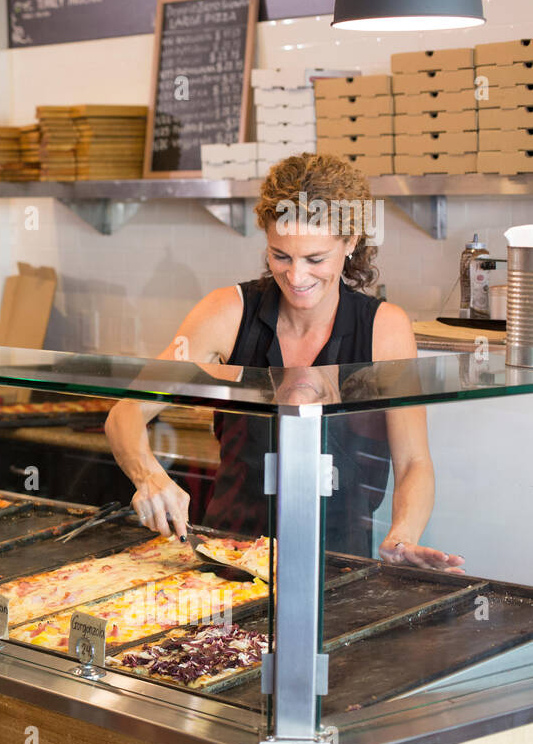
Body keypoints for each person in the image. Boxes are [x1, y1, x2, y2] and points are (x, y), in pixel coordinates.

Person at [104, 153, 462, 571]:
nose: (296, 276)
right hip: (227, 560)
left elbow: (414, 461)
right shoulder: (226, 312)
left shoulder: (385, 329)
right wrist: (148, 475)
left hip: (339, 566)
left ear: (350, 244)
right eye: (281, 256)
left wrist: (403, 536)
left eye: (315, 259)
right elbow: (126, 410)